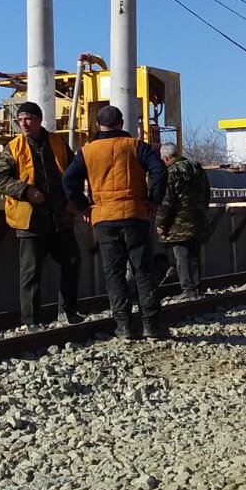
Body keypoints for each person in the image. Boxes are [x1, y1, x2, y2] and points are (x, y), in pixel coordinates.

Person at [62, 104, 168, 339]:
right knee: (143, 270)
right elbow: (159, 171)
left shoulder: (87, 151)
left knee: (114, 273)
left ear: (98, 126)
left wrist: (83, 206)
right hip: (135, 215)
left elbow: (68, 180)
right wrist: (153, 200)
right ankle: (151, 324)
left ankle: (123, 326)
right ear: (121, 124)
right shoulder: (135, 146)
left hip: (104, 218)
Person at [0, 101, 82, 330]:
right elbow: (0, 180)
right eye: (20, 119)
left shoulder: (58, 143)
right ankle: (31, 320)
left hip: (60, 217)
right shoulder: (14, 147)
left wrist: (75, 200)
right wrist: (26, 191)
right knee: (31, 272)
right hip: (29, 220)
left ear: (39, 120)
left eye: (28, 119)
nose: (23, 123)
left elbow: (73, 170)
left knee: (72, 261)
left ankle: (68, 311)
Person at [156, 143, 211, 299]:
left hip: (179, 223)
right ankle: (197, 288)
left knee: (182, 256)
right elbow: (207, 193)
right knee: (194, 255)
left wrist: (161, 224)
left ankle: (188, 290)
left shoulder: (171, 172)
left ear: (166, 158)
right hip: (198, 220)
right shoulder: (197, 169)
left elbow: (166, 202)